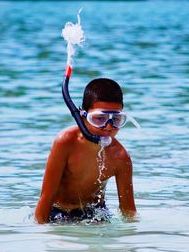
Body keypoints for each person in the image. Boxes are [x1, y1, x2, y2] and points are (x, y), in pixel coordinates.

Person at [34, 78, 137, 224]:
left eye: (116, 119)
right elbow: (46, 197)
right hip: (58, 213)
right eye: (99, 119)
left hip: (95, 214)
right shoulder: (65, 142)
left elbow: (129, 212)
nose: (108, 127)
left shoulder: (120, 157)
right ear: (82, 116)